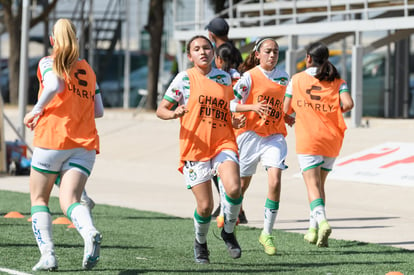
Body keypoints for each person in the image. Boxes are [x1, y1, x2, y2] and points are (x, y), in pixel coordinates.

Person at [23, 18, 104, 271]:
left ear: (51, 41)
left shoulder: (48, 61)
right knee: (70, 200)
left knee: (39, 198)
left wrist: (36, 110)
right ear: (76, 39)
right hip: (84, 144)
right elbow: (98, 110)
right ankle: (88, 230)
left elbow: (54, 84)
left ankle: (48, 255)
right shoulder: (88, 69)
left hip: (52, 140)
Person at [156, 35, 243, 264]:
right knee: (205, 206)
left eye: (206, 48)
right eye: (197, 49)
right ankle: (201, 243)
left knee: (234, 188)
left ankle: (228, 231)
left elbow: (228, 109)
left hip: (223, 142)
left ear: (213, 52)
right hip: (195, 147)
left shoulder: (224, 79)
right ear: (189, 55)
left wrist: (235, 121)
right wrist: (173, 113)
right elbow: (161, 109)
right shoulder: (184, 79)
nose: (202, 52)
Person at [283, 41, 354, 248]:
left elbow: (286, 109)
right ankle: (312, 229)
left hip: (309, 138)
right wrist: (330, 110)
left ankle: (322, 222)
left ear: (307, 58)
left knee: (312, 186)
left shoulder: (296, 79)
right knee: (320, 185)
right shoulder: (338, 81)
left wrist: (300, 112)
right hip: (332, 138)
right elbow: (348, 104)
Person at [231, 38, 290, 256]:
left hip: (273, 136)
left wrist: (287, 117)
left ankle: (267, 233)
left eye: (276, 51)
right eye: (268, 51)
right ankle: (230, 220)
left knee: (275, 178)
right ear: (258, 54)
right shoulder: (249, 77)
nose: (272, 55)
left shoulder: (284, 77)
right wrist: (251, 107)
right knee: (241, 187)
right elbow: (230, 103)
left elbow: (281, 104)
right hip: (249, 135)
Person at [205, 17, 245, 222]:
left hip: (225, 115)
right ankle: (235, 207)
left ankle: (231, 206)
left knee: (219, 162)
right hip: (241, 113)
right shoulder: (237, 51)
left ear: (211, 35)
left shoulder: (218, 54)